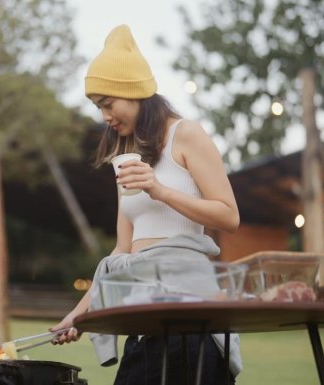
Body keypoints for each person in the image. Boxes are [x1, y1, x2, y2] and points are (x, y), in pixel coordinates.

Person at [49, 24, 241, 385]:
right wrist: (77, 315)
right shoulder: (125, 156)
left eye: (108, 103)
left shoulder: (186, 135)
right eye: (97, 106)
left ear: (135, 92)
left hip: (190, 320)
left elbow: (229, 216)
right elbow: (123, 252)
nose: (104, 115)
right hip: (142, 319)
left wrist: (159, 190)